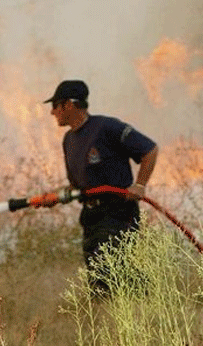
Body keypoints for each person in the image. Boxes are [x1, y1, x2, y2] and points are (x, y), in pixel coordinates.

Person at [42, 80, 158, 293]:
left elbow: (149, 150)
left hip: (118, 212)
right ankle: (146, 299)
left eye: (56, 105)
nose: (52, 112)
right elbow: (79, 184)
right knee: (99, 278)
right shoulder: (69, 140)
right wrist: (58, 195)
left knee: (106, 273)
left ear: (69, 104)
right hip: (90, 216)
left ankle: (152, 297)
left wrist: (139, 185)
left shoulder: (107, 128)